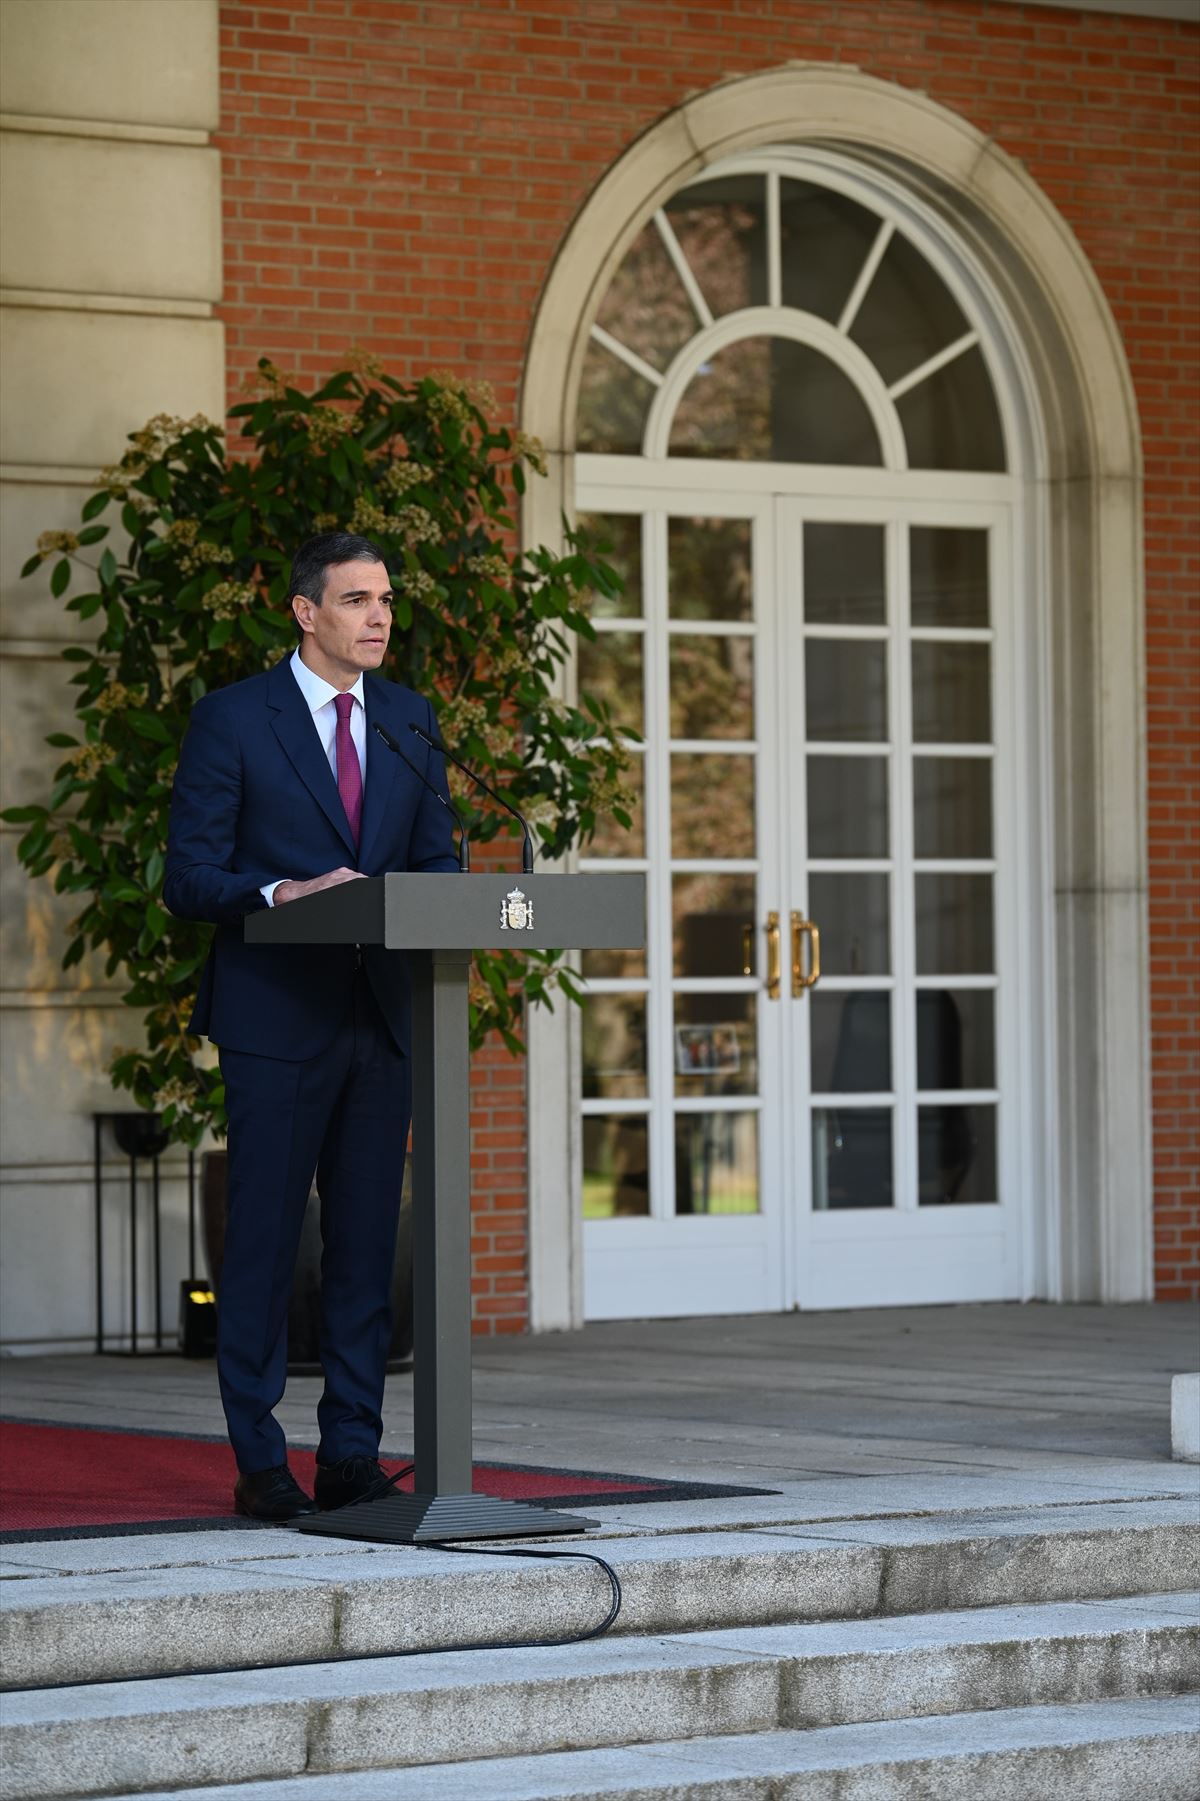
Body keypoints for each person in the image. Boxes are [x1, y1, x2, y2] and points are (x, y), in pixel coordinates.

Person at [164, 532, 459, 1520]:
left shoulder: (411, 724)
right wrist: (283, 888)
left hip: (380, 1019)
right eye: (356, 599)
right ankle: (259, 1459)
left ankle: (349, 1454)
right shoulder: (233, 719)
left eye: (386, 599)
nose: (379, 616)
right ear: (305, 611)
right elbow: (189, 876)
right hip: (275, 1019)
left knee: (367, 1248)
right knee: (261, 1246)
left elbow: (436, 872)